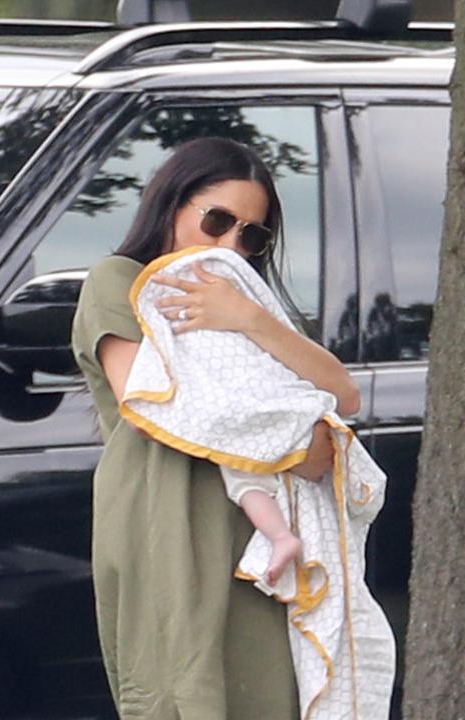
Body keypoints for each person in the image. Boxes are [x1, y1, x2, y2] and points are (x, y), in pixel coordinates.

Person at [71, 136, 360, 719]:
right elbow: (156, 405)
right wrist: (291, 436)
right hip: (166, 525)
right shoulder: (120, 282)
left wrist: (248, 317)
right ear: (172, 205)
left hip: (257, 544)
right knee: (180, 696)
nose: (230, 245)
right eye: (217, 221)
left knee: (268, 699)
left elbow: (343, 399)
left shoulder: (248, 309)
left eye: (250, 236)